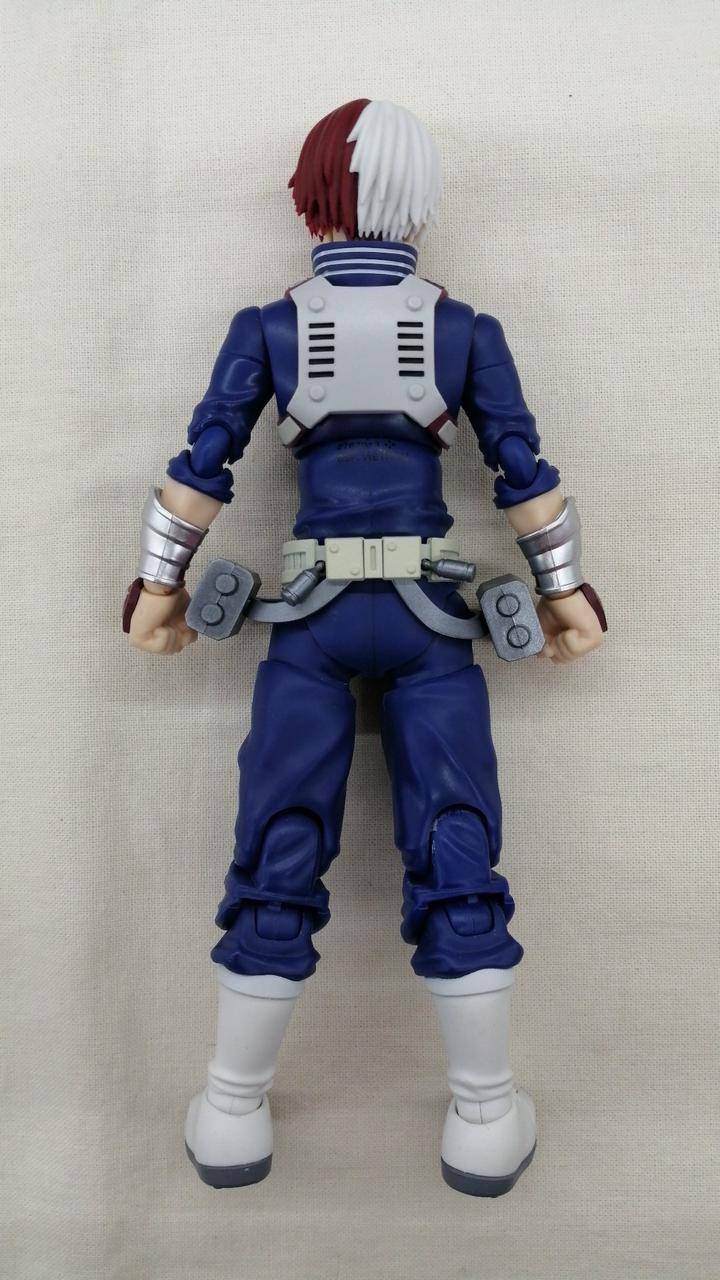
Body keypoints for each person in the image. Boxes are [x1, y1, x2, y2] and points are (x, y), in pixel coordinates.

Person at [125, 99, 605, 1195]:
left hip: (312, 618)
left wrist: (158, 589)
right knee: (457, 845)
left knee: (279, 844)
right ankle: (484, 1113)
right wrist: (566, 595)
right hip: (432, 619)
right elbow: (522, 471)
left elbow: (202, 465)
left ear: (312, 199)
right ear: (418, 203)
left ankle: (232, 1110)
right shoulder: (463, 329)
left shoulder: (271, 327)